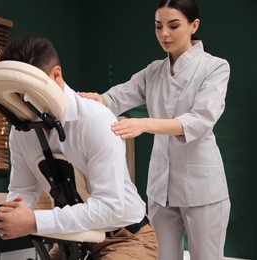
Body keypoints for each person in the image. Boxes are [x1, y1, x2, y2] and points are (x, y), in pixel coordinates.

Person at [79, 0, 231, 259]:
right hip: (161, 188)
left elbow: (200, 119)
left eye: (173, 26)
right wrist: (98, 100)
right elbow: (117, 97)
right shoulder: (154, 71)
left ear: (194, 25)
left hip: (202, 186)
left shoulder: (215, 67)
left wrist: (144, 124)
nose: (164, 34)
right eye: (158, 26)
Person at [0, 33, 158, 259]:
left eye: (26, 93)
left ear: (56, 74)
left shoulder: (95, 120)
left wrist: (34, 221)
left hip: (125, 237)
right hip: (74, 237)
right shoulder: (22, 132)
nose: (21, 101)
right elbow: (24, 188)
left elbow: (109, 207)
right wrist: (12, 212)